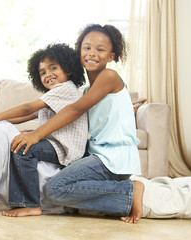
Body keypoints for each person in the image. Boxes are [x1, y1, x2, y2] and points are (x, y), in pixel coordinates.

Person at [9, 24, 144, 223]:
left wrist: (36, 135)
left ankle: (129, 191)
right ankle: (29, 202)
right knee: (35, 155)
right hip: (97, 153)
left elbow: (74, 111)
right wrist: (29, 130)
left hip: (114, 159)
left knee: (55, 190)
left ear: (111, 57)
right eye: (87, 47)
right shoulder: (86, 91)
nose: (92, 53)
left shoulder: (109, 76)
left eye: (100, 49)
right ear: (79, 51)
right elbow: (70, 119)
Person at [0, 43, 88, 217]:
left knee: (22, 148)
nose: (48, 74)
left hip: (65, 148)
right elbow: (26, 116)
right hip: (56, 144)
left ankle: (30, 204)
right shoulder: (54, 94)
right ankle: (1, 194)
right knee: (19, 140)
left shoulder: (65, 89)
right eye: (42, 72)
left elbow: (27, 108)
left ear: (69, 69)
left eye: (53, 68)